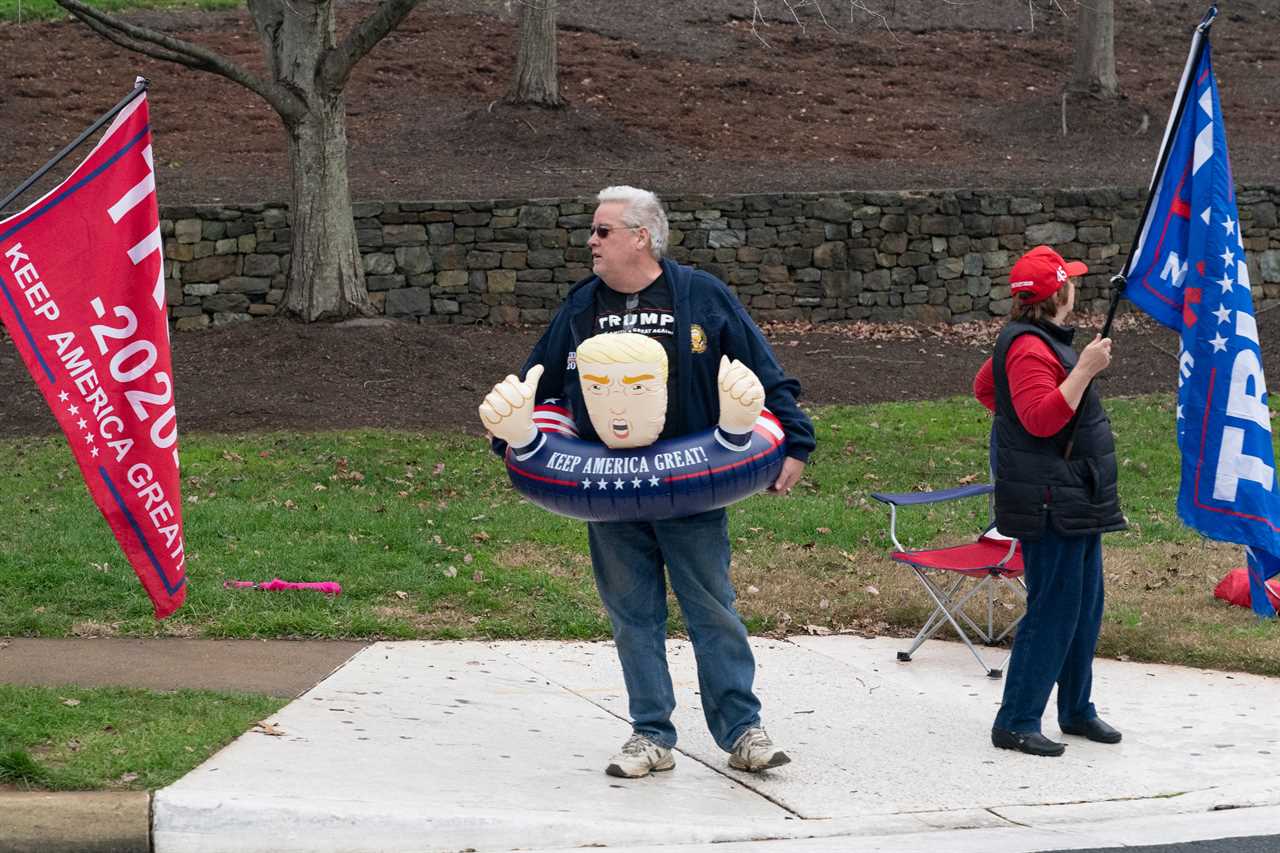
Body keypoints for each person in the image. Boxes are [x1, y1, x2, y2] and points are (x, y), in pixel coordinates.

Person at [486, 185, 815, 778]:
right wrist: (509, 430)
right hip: (608, 492)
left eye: (602, 231)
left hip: (691, 486)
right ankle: (650, 735)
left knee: (712, 608)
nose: (591, 241)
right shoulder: (582, 305)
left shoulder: (701, 295)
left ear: (641, 236)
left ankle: (743, 731)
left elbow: (763, 370)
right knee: (632, 614)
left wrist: (797, 439)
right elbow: (538, 380)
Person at [973, 245, 1127, 757]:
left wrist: (1035, 410)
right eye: (1072, 282)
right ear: (1059, 294)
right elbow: (1039, 418)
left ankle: (1076, 710)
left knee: (1084, 607)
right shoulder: (1028, 348)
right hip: (1050, 501)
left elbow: (986, 388)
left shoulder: (1041, 341)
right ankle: (1015, 719)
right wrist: (1081, 372)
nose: (1077, 288)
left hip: (1078, 493)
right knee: (1052, 610)